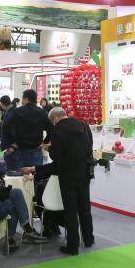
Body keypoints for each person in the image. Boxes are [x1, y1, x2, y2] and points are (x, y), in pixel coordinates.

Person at [23, 107, 95, 256]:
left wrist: (49, 148)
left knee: (70, 211)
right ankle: (88, 239)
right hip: (84, 173)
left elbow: (56, 156)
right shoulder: (84, 126)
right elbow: (89, 148)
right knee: (85, 208)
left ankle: (73, 246)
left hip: (67, 175)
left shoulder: (57, 131)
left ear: (55, 119)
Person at [1, 89, 51, 169]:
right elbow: (52, 130)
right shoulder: (42, 112)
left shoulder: (17, 112)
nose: (22, 102)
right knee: (35, 175)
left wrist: (11, 143)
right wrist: (44, 142)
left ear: (26, 99)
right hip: (36, 150)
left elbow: (5, 127)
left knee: (19, 175)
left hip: (20, 150)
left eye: (22, 99)